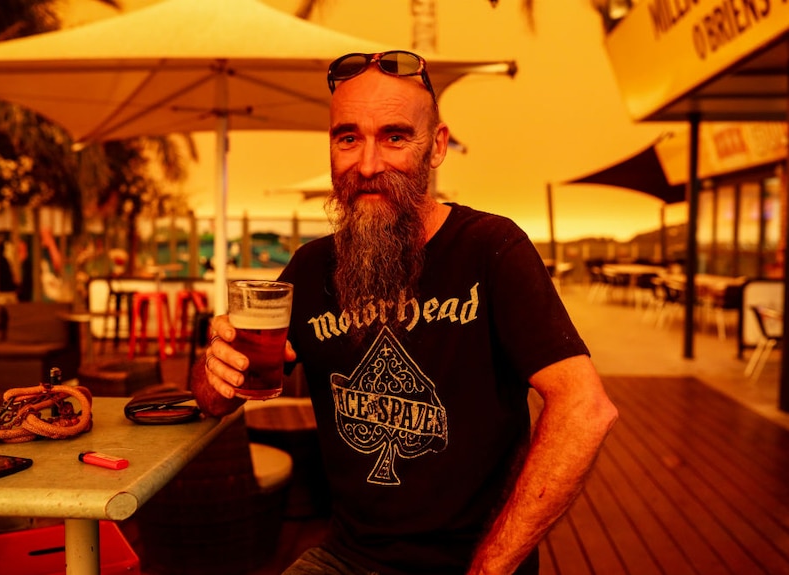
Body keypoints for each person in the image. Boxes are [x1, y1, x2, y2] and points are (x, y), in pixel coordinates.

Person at [193, 50, 618, 575]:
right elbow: (217, 400)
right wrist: (216, 372)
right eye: (348, 138)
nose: (368, 165)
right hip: (345, 557)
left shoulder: (491, 248)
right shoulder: (310, 267)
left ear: (437, 145)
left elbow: (585, 408)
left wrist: (491, 567)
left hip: (473, 561)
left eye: (394, 137)